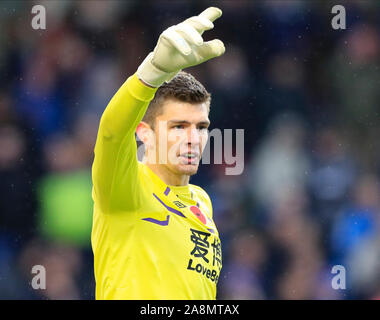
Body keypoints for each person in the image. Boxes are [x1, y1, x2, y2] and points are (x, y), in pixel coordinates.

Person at [91, 7, 225, 299]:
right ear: (144, 133)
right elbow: (112, 134)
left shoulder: (202, 202)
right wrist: (150, 73)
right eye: (178, 127)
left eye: (201, 127)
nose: (193, 139)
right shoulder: (125, 188)